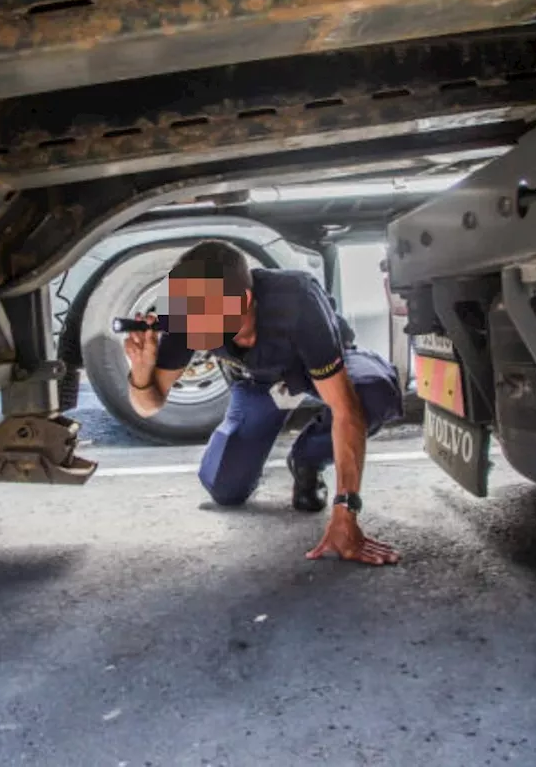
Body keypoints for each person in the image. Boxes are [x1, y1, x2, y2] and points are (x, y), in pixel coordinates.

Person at [124, 240, 403, 566]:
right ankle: (247, 448)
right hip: (259, 383)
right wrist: (141, 374)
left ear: (242, 300)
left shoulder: (296, 299)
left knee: (372, 394)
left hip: (314, 369)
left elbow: (345, 408)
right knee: (226, 491)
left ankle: (308, 458)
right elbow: (148, 405)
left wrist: (346, 512)